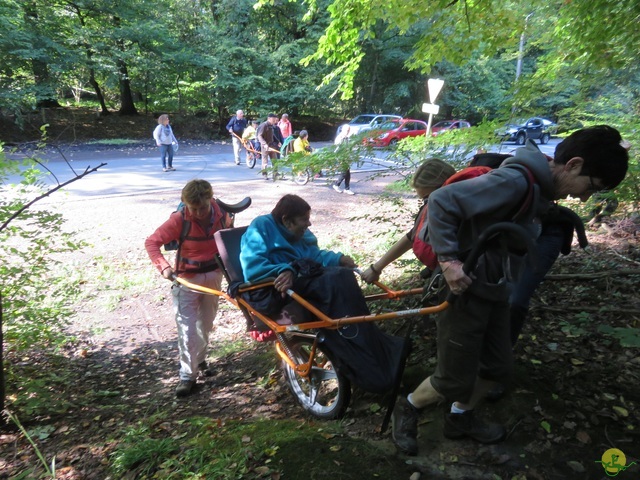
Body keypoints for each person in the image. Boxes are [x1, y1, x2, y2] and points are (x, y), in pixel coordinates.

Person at [390, 125, 629, 456]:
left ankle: (460, 418)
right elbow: (443, 200)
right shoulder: (516, 181)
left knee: (497, 367)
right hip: (466, 289)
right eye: (591, 186)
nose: (586, 197)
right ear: (573, 165)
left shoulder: (540, 188)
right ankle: (409, 408)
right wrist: (448, 261)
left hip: (496, 287)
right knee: (452, 379)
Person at [239, 194, 405, 393]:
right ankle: (365, 363)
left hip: (304, 281)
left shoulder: (301, 234)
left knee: (343, 276)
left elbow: (314, 257)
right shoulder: (261, 228)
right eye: (304, 219)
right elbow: (253, 267)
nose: (308, 224)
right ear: (286, 220)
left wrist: (338, 259)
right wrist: (284, 270)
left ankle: (372, 350)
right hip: (274, 289)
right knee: (332, 282)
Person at [145, 179, 229, 398]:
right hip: (186, 280)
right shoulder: (179, 219)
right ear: (185, 204)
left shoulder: (221, 214)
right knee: (187, 327)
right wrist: (163, 268)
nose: (199, 212)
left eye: (203, 207)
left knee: (206, 323)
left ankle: (199, 360)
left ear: (211, 199)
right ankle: (187, 375)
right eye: (194, 208)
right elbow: (152, 242)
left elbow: (229, 238)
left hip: (213, 275)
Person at [362, 159, 456, 283]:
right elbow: (413, 235)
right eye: (425, 200)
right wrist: (377, 268)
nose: (428, 204)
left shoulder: (455, 209)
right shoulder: (441, 204)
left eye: (429, 198)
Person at [257, 113, 279, 179]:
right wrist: (264, 144)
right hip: (265, 146)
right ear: (269, 118)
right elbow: (259, 136)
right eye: (273, 119)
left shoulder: (271, 126)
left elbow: (272, 135)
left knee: (274, 160)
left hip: (271, 145)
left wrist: (278, 141)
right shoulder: (263, 125)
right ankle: (264, 174)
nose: (275, 121)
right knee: (265, 161)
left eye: (275, 119)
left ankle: (275, 174)